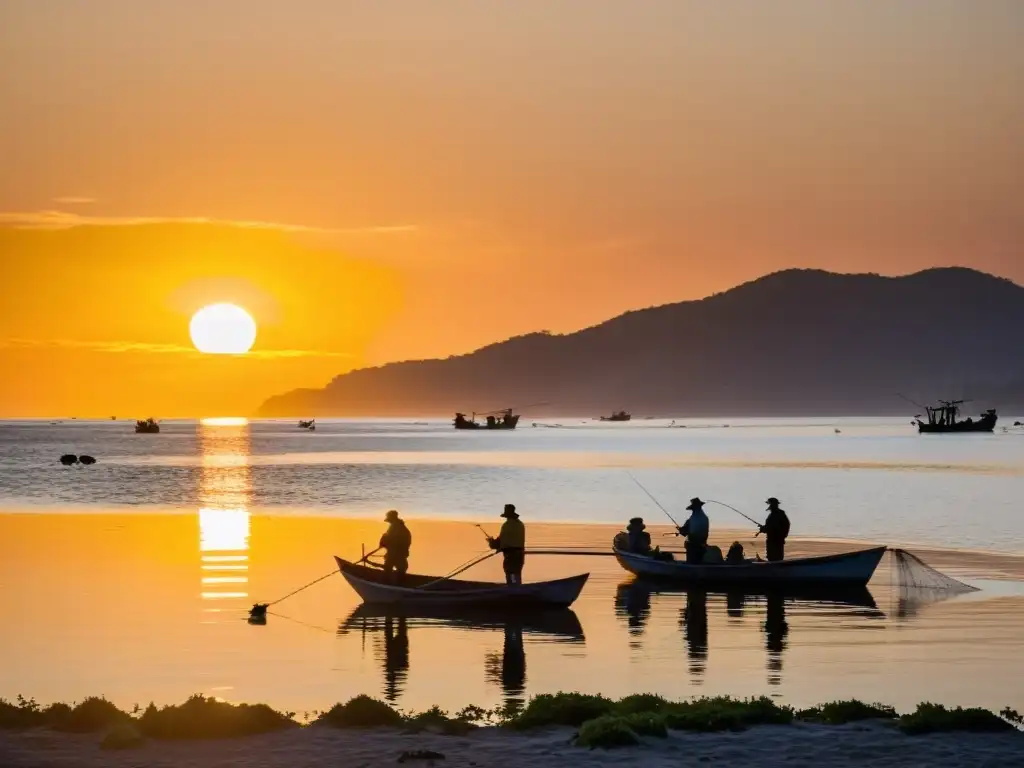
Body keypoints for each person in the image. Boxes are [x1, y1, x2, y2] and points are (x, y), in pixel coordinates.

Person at [488, 503, 526, 584]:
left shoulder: (506, 525)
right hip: (520, 555)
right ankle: (518, 590)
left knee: (510, 575)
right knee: (517, 576)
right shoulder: (520, 524)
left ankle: (511, 590)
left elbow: (498, 543)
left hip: (510, 556)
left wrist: (491, 541)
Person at [379, 509, 412, 582]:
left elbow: (389, 540)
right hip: (399, 553)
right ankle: (397, 582)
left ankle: (391, 583)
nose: (389, 522)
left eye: (389, 520)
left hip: (396, 553)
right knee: (401, 568)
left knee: (389, 568)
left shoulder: (395, 527)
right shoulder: (398, 526)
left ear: (392, 519)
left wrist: (383, 542)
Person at [678, 497, 710, 563]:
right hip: (703, 545)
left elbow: (684, 533)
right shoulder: (705, 518)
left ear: (693, 508)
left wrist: (681, 530)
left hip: (693, 547)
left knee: (688, 544)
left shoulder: (691, 520)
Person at [759, 497, 791, 562]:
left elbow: (773, 527)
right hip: (775, 540)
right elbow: (772, 526)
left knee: (774, 558)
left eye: (769, 504)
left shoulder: (777, 514)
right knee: (775, 558)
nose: (769, 506)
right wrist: (764, 528)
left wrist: (764, 529)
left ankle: (774, 570)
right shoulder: (778, 514)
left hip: (775, 541)